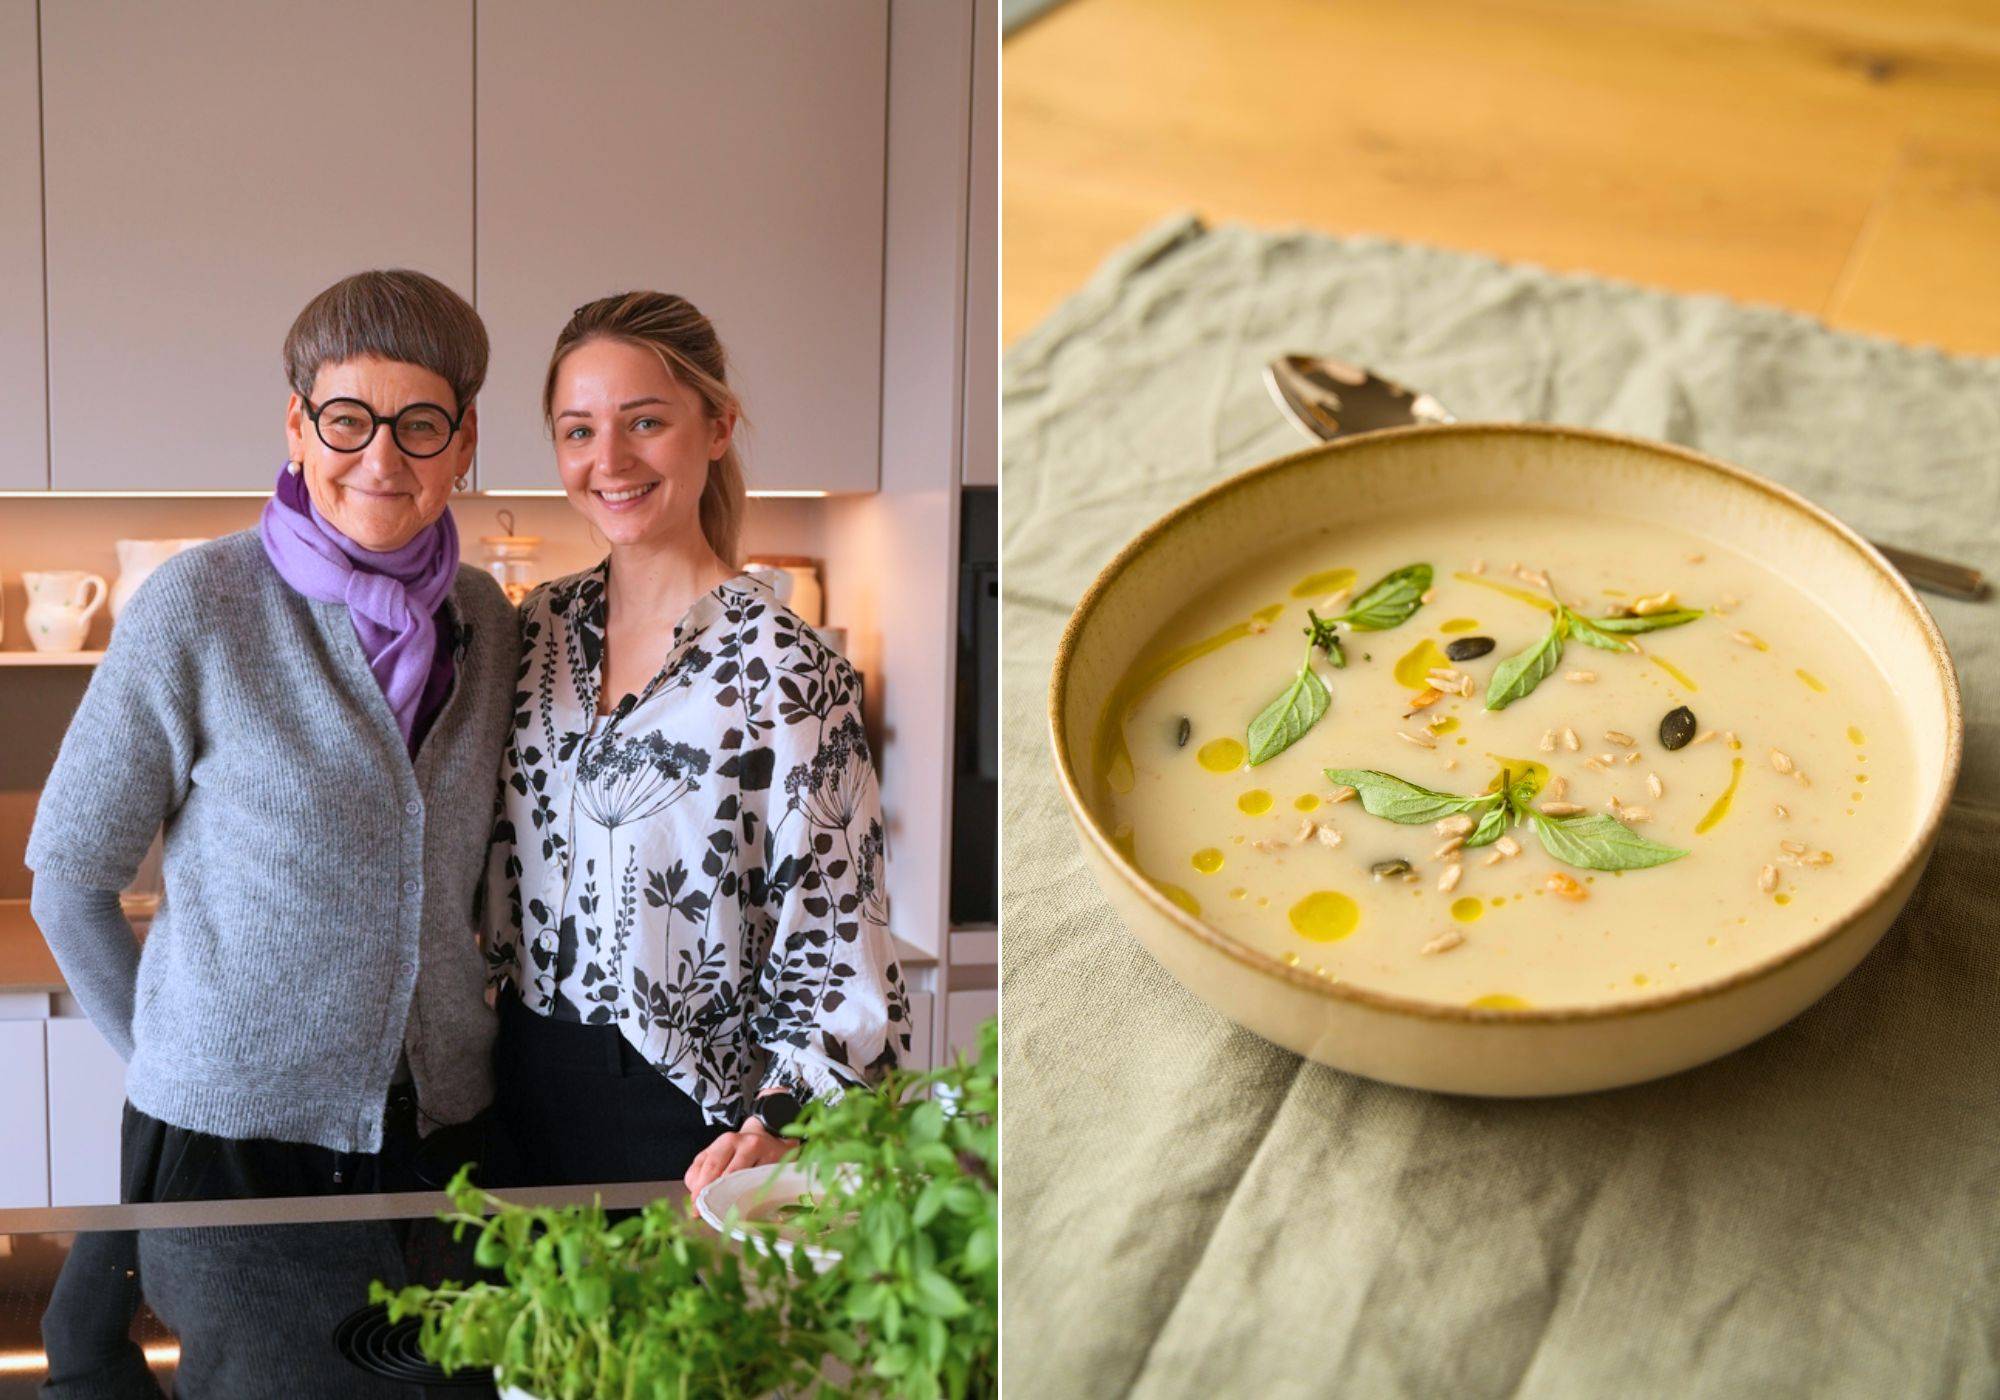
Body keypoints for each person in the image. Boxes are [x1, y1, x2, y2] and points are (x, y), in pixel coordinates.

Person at [28, 268, 519, 1203]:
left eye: (420, 424)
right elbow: (71, 883)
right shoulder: (200, 605)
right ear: (297, 426)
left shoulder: (486, 622)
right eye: (346, 418)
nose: (381, 459)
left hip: (446, 1129)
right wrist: (178, 1068)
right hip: (228, 1143)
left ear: (463, 443)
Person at [483, 291, 912, 1196]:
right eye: (578, 431)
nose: (610, 461)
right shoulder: (534, 630)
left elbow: (836, 935)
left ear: (717, 427)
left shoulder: (785, 668)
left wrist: (784, 1119)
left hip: (689, 1118)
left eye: (646, 421)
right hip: (510, 1094)